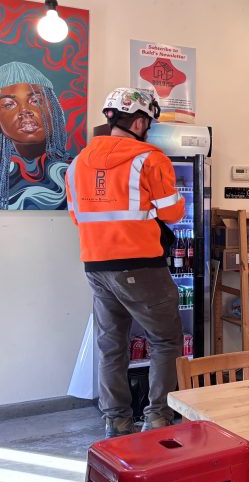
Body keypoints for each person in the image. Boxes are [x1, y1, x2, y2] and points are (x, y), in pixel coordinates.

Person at [66, 87, 185, 438]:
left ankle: (116, 420)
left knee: (111, 343)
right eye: (147, 122)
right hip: (141, 265)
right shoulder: (150, 159)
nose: (148, 129)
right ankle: (158, 416)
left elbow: (77, 218)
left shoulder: (76, 163)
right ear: (138, 121)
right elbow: (175, 213)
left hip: (96, 266)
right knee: (165, 340)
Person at [0, 60, 70, 210]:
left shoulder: (76, 169)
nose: (25, 110)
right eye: (8, 104)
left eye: (36, 101)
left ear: (54, 109)